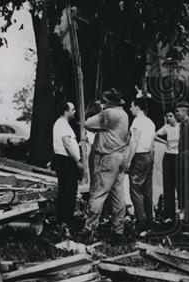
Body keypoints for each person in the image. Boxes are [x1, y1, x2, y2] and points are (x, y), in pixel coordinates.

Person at [83, 88, 130, 237]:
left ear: (108, 102)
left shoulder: (108, 113)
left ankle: (90, 228)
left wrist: (100, 111)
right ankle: (118, 229)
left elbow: (87, 123)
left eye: (104, 102)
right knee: (118, 195)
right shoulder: (124, 114)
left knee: (98, 193)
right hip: (120, 156)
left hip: (107, 157)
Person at [125, 97, 156, 232]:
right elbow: (152, 143)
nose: (130, 109)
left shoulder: (137, 122)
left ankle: (141, 222)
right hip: (149, 154)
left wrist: (128, 160)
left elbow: (134, 142)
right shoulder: (150, 122)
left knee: (136, 189)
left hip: (139, 155)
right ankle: (150, 219)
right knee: (147, 190)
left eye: (132, 106)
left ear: (137, 106)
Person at [51, 100, 81, 232]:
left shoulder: (63, 124)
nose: (74, 112)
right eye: (73, 109)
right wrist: (77, 161)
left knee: (69, 190)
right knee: (68, 190)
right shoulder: (62, 124)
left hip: (65, 160)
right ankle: (64, 220)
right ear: (66, 111)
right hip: (66, 161)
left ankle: (65, 219)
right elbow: (67, 144)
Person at [155, 111, 180, 222]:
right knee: (168, 185)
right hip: (168, 156)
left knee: (179, 184)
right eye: (167, 116)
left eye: (171, 116)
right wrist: (164, 143)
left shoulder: (181, 127)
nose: (169, 118)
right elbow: (155, 135)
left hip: (178, 156)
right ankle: (169, 214)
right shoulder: (166, 127)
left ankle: (180, 211)